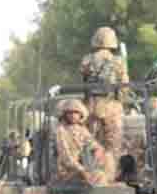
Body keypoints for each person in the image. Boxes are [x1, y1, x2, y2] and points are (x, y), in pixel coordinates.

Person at [79, 26, 131, 164]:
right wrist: (122, 102)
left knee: (90, 142)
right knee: (113, 144)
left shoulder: (87, 60)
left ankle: (91, 171)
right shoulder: (118, 61)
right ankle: (110, 173)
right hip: (111, 106)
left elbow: (84, 82)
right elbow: (124, 86)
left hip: (91, 105)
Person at [53, 99, 107, 185]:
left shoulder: (81, 129)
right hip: (66, 171)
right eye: (70, 113)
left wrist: (98, 151)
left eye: (76, 112)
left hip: (82, 169)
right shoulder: (61, 130)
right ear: (65, 115)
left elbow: (92, 143)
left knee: (101, 176)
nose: (73, 115)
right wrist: (82, 170)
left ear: (81, 114)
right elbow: (66, 157)